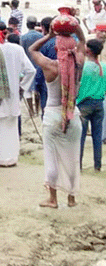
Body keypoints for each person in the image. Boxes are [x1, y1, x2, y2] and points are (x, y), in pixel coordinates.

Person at [29, 20, 85, 208]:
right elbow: (83, 42)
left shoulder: (50, 66)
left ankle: (53, 198)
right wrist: (76, 27)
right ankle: (71, 198)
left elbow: (32, 50)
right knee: (72, 157)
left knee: (51, 158)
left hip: (53, 115)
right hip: (73, 114)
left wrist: (49, 35)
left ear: (56, 47)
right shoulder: (78, 65)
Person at [0, 21, 36, 167]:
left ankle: (1, 159)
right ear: (7, 33)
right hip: (14, 95)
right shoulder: (17, 49)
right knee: (11, 128)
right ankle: (12, 159)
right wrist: (22, 86)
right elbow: (31, 71)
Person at [76, 39, 106, 171]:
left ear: (88, 51)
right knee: (97, 136)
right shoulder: (104, 67)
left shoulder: (84, 67)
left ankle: (79, 165)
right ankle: (97, 165)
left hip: (84, 103)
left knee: (80, 136)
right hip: (99, 103)